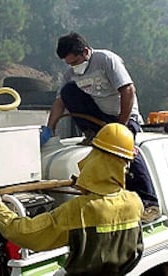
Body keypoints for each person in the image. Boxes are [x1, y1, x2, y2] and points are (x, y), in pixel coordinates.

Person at [0, 123, 144, 275]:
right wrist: (87, 187)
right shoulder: (135, 202)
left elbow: (26, 233)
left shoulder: (78, 209)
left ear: (96, 158)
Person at [41, 31, 160, 223]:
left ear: (86, 52)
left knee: (128, 151)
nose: (73, 67)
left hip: (124, 115)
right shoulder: (70, 73)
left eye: (75, 62)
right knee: (68, 91)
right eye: (69, 64)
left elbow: (128, 90)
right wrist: (49, 129)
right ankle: (92, 133)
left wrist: (121, 129)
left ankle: (150, 203)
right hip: (99, 117)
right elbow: (59, 103)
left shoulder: (106, 60)